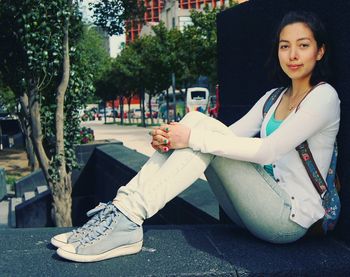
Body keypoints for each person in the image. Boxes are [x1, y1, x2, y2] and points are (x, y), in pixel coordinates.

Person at [51, 10, 340, 263]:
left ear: (320, 51)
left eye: (303, 46)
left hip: (286, 220)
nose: (292, 55)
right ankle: (122, 211)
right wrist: (174, 137)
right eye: (284, 46)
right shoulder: (273, 98)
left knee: (199, 132)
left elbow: (268, 151)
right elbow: (228, 137)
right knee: (200, 122)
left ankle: (127, 218)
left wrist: (189, 137)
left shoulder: (324, 97)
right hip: (251, 210)